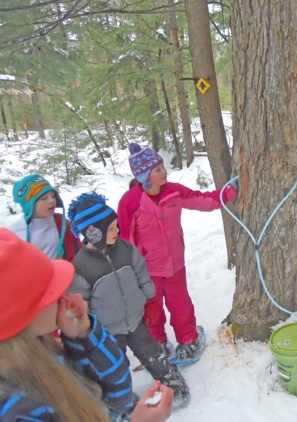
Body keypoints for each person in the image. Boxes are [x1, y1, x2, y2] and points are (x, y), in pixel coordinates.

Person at [0, 228, 173, 422]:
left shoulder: (47, 350)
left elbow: (116, 402)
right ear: (19, 320)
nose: (62, 294)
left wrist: (84, 336)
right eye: (50, 292)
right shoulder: (19, 412)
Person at [117, 142, 237, 363]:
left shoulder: (173, 191)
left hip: (175, 266)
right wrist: (129, 271)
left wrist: (229, 192)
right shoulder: (130, 202)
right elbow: (125, 239)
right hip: (147, 272)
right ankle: (158, 345)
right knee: (152, 311)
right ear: (144, 176)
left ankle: (188, 340)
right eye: (158, 169)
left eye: (162, 167)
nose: (164, 171)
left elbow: (204, 200)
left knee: (181, 305)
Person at [67, 192, 190, 407]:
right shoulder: (81, 266)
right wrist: (89, 329)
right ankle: (121, 402)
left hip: (135, 319)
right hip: (108, 330)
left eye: (116, 225)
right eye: (111, 228)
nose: (117, 230)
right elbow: (80, 303)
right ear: (94, 233)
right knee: (115, 366)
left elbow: (142, 273)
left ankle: (173, 382)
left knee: (152, 352)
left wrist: (150, 301)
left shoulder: (124, 249)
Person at [11, 174, 80, 261]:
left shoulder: (62, 224)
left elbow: (77, 248)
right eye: (44, 198)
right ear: (29, 206)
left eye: (53, 196)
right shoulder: (15, 233)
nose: (52, 200)